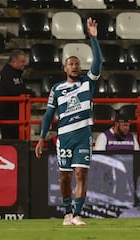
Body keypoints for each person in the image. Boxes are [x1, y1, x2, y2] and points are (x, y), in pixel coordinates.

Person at [35, 17, 103, 226]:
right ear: (65, 69)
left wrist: (93, 38)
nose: (74, 66)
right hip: (64, 137)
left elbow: (99, 61)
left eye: (77, 64)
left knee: (81, 173)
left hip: (83, 135)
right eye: (70, 64)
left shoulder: (88, 83)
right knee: (65, 177)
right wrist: (41, 138)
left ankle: (77, 214)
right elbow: (48, 114)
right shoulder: (56, 89)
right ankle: (66, 212)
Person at [0, 49, 36, 140]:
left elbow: (20, 90)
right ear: (13, 61)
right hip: (8, 116)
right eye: (22, 61)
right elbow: (16, 92)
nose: (24, 64)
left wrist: (28, 93)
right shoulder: (8, 74)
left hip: (14, 115)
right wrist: (28, 93)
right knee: (10, 143)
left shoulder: (15, 74)